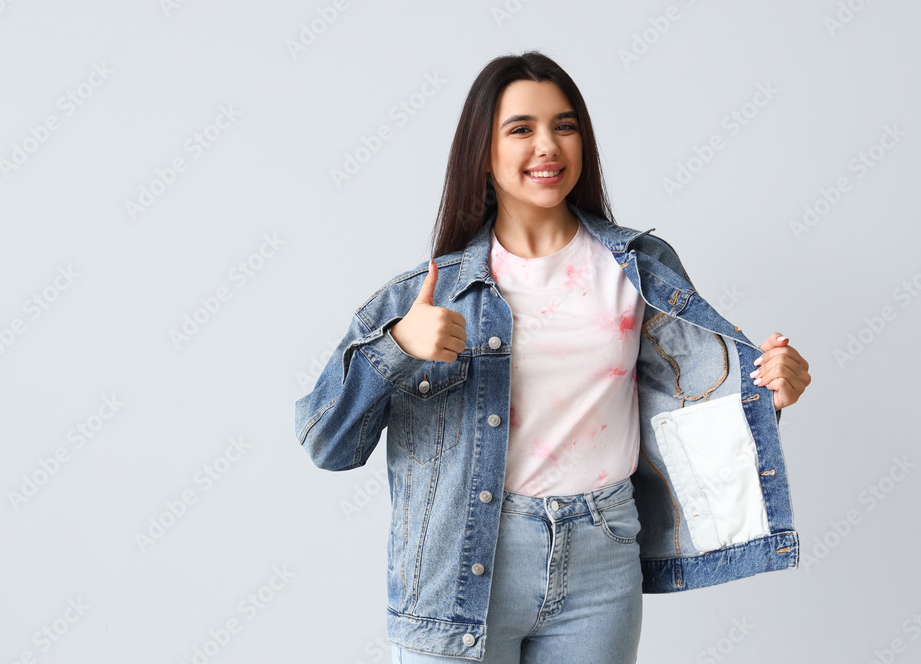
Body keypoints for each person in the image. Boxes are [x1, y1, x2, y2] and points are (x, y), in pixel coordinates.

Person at [295, 51, 811, 664]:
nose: (548, 145)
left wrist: (771, 388)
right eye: (521, 129)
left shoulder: (640, 269)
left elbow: (694, 404)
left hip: (603, 553)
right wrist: (397, 350)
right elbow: (327, 442)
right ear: (481, 153)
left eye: (564, 126)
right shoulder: (423, 296)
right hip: (466, 560)